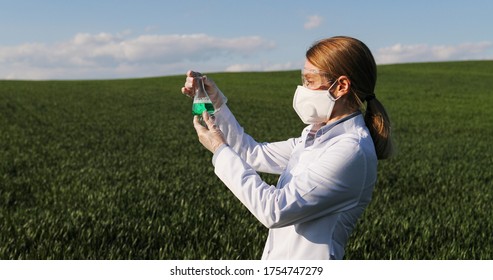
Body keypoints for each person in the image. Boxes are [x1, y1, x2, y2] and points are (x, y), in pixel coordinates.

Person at [181, 36, 393, 260]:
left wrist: (219, 149)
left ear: (341, 86)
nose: (303, 88)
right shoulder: (315, 135)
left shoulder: (351, 151)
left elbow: (274, 210)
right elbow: (252, 154)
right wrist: (215, 102)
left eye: (310, 81)